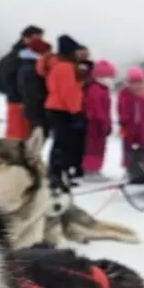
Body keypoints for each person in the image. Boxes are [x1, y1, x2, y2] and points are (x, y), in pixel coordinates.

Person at [42, 35, 86, 183]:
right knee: (63, 143)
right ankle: (57, 174)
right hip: (62, 109)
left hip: (55, 107)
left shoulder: (56, 65)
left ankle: (58, 174)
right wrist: (76, 111)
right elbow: (69, 91)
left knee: (60, 142)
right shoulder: (66, 67)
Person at [0, 25, 43, 140]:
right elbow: (4, 80)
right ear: (25, 38)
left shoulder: (36, 57)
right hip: (19, 103)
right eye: (37, 38)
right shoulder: (15, 58)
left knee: (31, 139)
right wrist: (19, 96)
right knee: (17, 137)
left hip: (33, 103)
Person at [81, 59, 117, 176]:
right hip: (95, 124)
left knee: (100, 147)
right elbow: (97, 109)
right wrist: (103, 123)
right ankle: (90, 170)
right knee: (93, 147)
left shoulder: (102, 89)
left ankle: (96, 168)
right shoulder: (96, 89)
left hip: (100, 123)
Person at [18, 36, 53, 142]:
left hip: (33, 107)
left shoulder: (27, 66)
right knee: (38, 137)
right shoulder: (33, 69)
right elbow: (35, 91)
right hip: (37, 108)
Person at [116, 66, 144, 160]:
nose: (137, 86)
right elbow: (121, 108)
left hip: (143, 127)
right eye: (133, 82)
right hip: (128, 126)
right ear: (129, 83)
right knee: (127, 148)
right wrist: (123, 120)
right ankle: (128, 166)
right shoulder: (124, 94)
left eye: (139, 82)